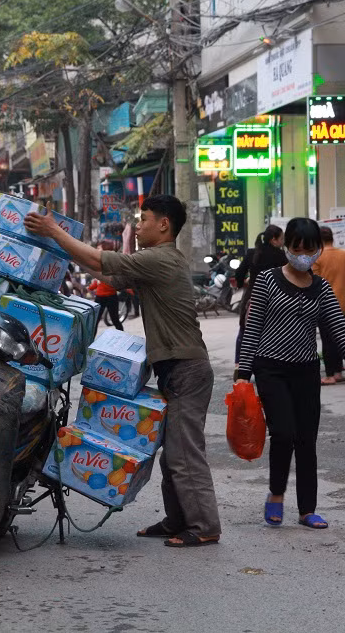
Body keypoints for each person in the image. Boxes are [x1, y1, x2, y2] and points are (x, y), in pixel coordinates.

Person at [25, 195, 221, 548]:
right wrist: (63, 246)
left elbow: (101, 259)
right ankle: (178, 519)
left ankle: (204, 525)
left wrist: (55, 231)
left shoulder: (161, 258)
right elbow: (107, 275)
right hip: (176, 368)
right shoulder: (155, 263)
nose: (139, 225)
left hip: (187, 368)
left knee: (184, 453)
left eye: (144, 219)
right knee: (174, 452)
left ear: (164, 224)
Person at [237, 218, 345, 530]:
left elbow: (340, 333)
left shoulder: (321, 289)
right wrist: (242, 371)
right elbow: (252, 328)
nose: (302, 254)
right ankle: (276, 494)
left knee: (306, 440)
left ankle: (307, 509)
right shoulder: (267, 281)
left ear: (317, 250)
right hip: (270, 368)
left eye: (308, 249)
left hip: (305, 370)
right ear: (287, 247)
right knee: (284, 432)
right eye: (296, 248)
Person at [234, 225, 287, 366]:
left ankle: (239, 364)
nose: (283, 242)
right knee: (274, 331)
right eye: (281, 239)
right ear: (274, 240)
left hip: (253, 296)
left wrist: (242, 284)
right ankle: (272, 360)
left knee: (245, 329)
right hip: (275, 298)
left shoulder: (252, 253)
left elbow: (239, 273)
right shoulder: (281, 256)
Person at [312, 226, 345, 385]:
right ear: (332, 238)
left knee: (327, 339)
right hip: (342, 303)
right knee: (339, 337)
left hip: (324, 304)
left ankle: (330, 375)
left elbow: (314, 282)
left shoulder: (317, 257)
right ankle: (339, 372)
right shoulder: (344, 255)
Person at [88, 243, 123, 330]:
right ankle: (90, 342)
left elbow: (110, 281)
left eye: (99, 248)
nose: (97, 249)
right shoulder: (98, 263)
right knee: (95, 321)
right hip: (100, 296)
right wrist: (91, 287)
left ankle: (123, 337)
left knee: (115, 320)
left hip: (111, 296)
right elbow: (98, 282)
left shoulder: (111, 264)